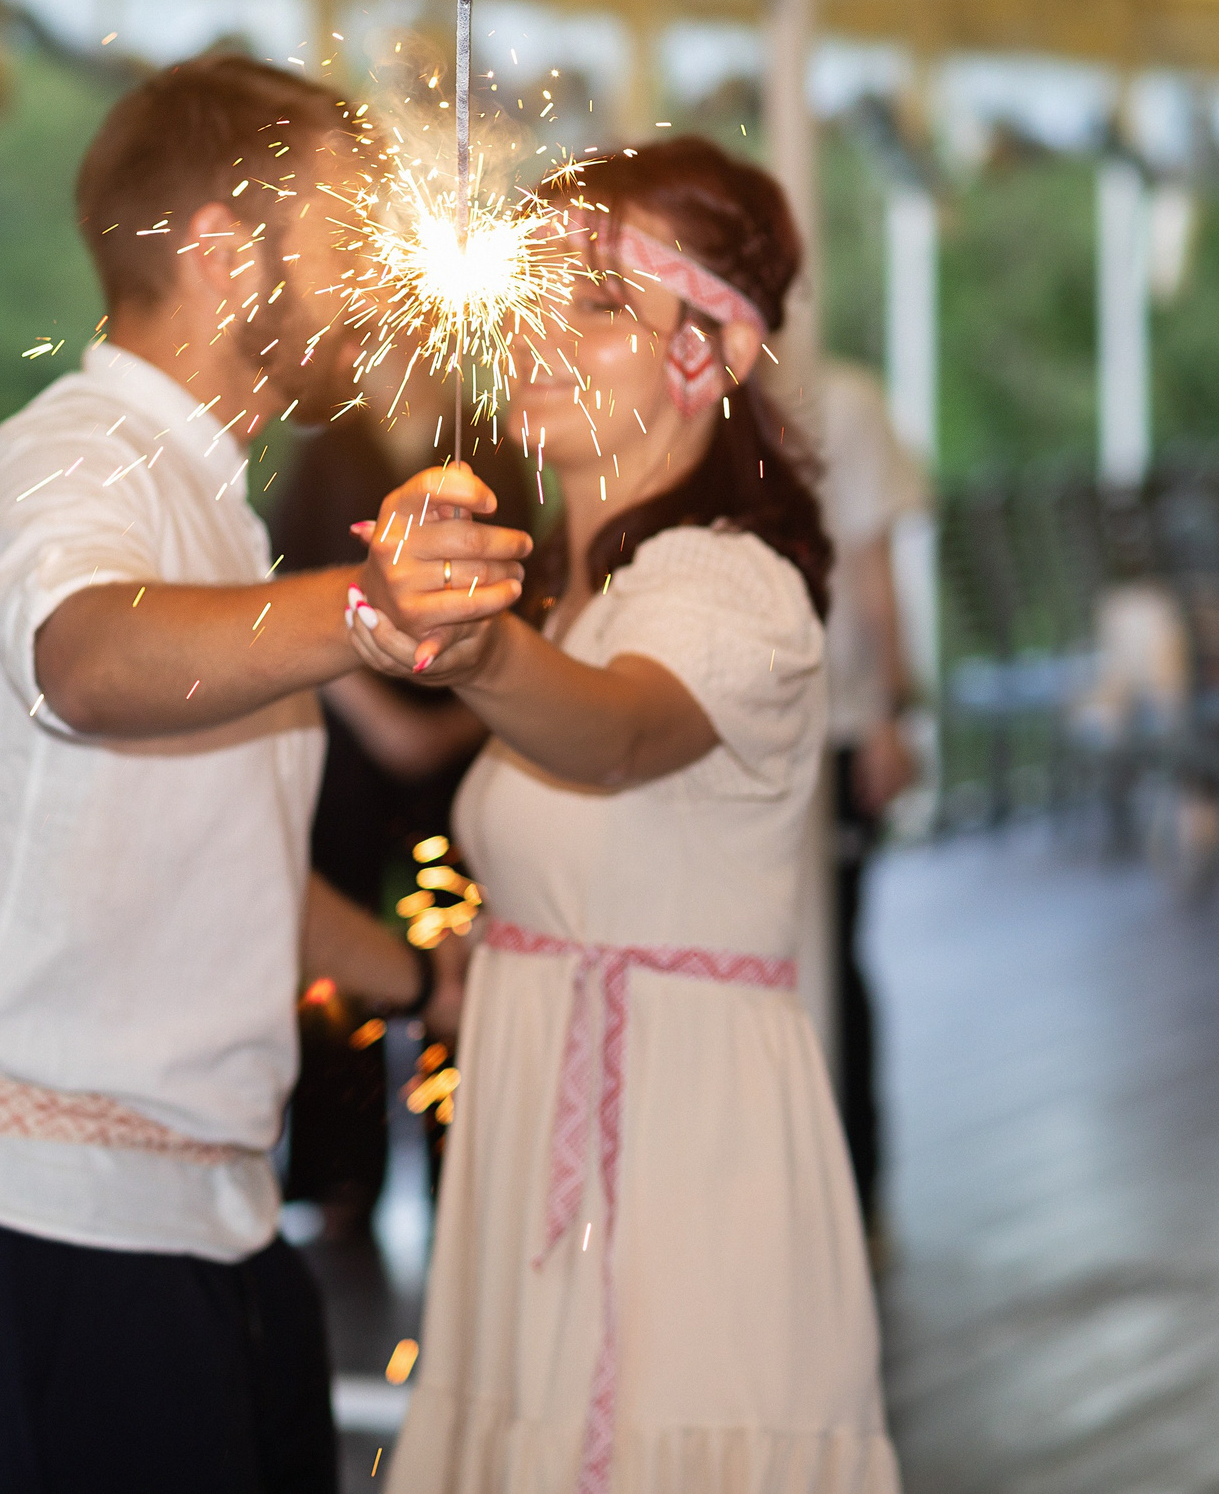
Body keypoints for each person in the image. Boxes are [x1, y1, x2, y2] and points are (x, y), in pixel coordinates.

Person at [0, 54, 524, 1494]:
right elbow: (86, 659)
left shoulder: (214, 506)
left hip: (204, 1221)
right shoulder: (66, 462)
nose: (376, 275)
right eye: (345, 230)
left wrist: (426, 981)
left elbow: (228, 874)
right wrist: (364, 609)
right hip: (23, 1227)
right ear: (222, 251)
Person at [352, 137, 901, 1493]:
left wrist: (470, 647)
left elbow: (612, 737)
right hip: (546, 1115)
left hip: (674, 1145)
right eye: (538, 290)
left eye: (599, 302)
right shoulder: (590, 592)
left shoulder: (732, 584)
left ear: (705, 354)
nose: (540, 328)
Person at [267, 388, 533, 1236]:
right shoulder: (326, 441)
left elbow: (526, 596)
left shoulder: (490, 437)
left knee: (461, 932)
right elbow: (287, 592)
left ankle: (463, 1168)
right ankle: (339, 1178)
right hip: (348, 743)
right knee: (339, 944)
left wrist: (453, 719)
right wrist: (384, 725)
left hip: (461, 739)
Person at [810, 357, 929, 1248]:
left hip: (837, 724)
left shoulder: (840, 402)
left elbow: (874, 572)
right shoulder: (833, 400)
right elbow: (875, 571)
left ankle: (855, 1179)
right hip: (803, 719)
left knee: (834, 950)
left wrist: (888, 711)